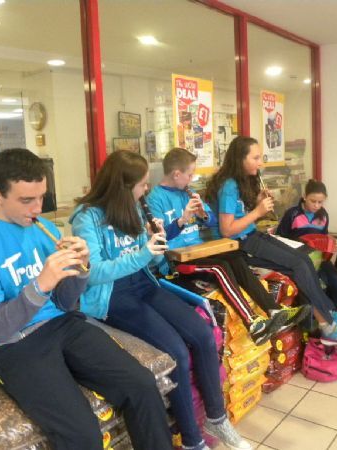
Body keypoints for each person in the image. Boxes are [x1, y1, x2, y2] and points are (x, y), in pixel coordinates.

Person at [0, 148, 171, 450]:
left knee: (142, 385)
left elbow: (65, 304)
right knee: (82, 434)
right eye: (26, 200)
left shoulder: (41, 230)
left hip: (57, 322)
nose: (37, 208)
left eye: (42, 197)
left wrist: (80, 270)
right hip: (6, 343)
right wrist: (41, 284)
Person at [71, 150, 251, 450]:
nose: (146, 190)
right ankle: (192, 441)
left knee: (202, 333)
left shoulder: (132, 208)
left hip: (144, 283)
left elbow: (152, 258)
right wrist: (144, 253)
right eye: (142, 184)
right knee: (176, 352)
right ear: (123, 187)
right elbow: (94, 273)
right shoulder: (87, 218)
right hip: (112, 296)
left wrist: (164, 232)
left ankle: (216, 419)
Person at [204, 136, 337, 347]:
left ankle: (328, 314)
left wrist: (257, 205)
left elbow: (242, 217)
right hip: (241, 245)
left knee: (304, 260)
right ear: (240, 159)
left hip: (251, 236)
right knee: (299, 265)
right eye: (255, 158)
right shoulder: (228, 186)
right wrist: (258, 211)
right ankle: (329, 327)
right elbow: (227, 229)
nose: (260, 163)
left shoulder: (241, 182)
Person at [146, 147, 310, 345]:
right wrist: (182, 220)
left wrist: (203, 215)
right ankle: (253, 323)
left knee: (236, 258)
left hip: (197, 251)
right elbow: (160, 239)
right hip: (175, 261)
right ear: (176, 174)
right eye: (189, 175)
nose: (191, 179)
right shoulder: (155, 199)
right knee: (220, 267)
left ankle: (273, 310)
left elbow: (213, 221)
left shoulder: (187, 193)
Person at [276, 179, 337, 320]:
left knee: (335, 277)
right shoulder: (292, 214)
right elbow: (279, 238)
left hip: (318, 258)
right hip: (297, 259)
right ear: (304, 196)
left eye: (320, 202)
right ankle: (326, 317)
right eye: (313, 201)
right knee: (314, 282)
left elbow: (323, 236)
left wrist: (329, 245)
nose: (317, 205)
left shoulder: (323, 216)